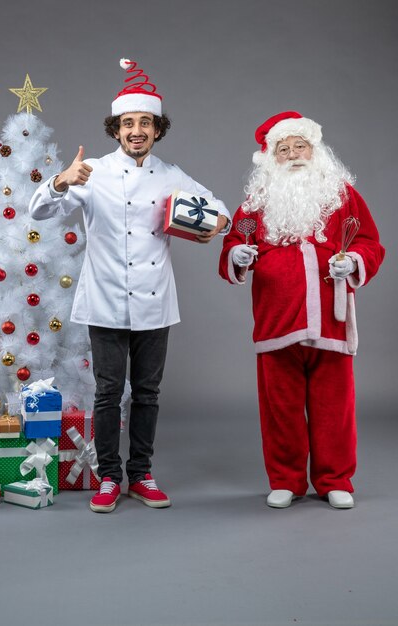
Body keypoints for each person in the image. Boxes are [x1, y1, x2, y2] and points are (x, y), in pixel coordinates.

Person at [30, 59, 229, 513]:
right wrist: (61, 180)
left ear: (157, 129)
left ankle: (141, 474)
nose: (136, 130)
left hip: (156, 302)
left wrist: (212, 223)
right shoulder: (92, 172)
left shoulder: (171, 174)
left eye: (145, 122)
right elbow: (38, 212)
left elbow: (221, 211)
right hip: (103, 300)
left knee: (147, 393)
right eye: (127, 123)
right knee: (106, 393)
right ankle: (108, 478)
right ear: (115, 129)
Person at [219, 111, 384, 509]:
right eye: (283, 148)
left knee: (334, 408)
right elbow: (231, 248)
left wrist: (355, 261)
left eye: (300, 146)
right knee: (281, 408)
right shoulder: (256, 202)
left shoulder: (342, 195)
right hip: (277, 320)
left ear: (316, 150)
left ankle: (334, 479)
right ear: (271, 158)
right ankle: (287, 480)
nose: (293, 154)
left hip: (331, 317)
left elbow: (369, 242)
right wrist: (237, 254)